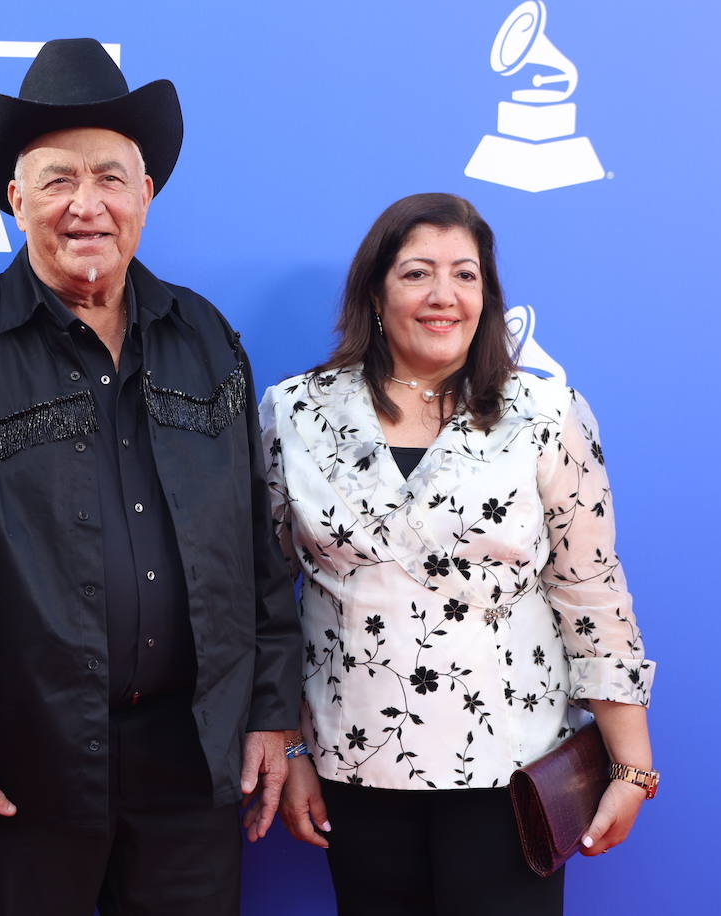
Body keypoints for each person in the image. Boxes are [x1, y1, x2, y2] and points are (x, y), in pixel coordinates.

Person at [0, 38, 302, 916]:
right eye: (58, 179)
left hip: (190, 762)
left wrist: (268, 712)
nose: (87, 205)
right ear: (15, 199)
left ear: (146, 195)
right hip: (14, 770)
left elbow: (256, 553)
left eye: (110, 177)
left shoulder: (208, 339)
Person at [260, 193, 657, 916]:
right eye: (417, 273)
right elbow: (262, 598)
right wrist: (286, 751)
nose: (444, 295)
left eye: (465, 275)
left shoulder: (546, 415)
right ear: (376, 294)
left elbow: (591, 589)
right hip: (355, 771)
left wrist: (633, 765)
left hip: (512, 777)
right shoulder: (295, 414)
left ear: (488, 296)